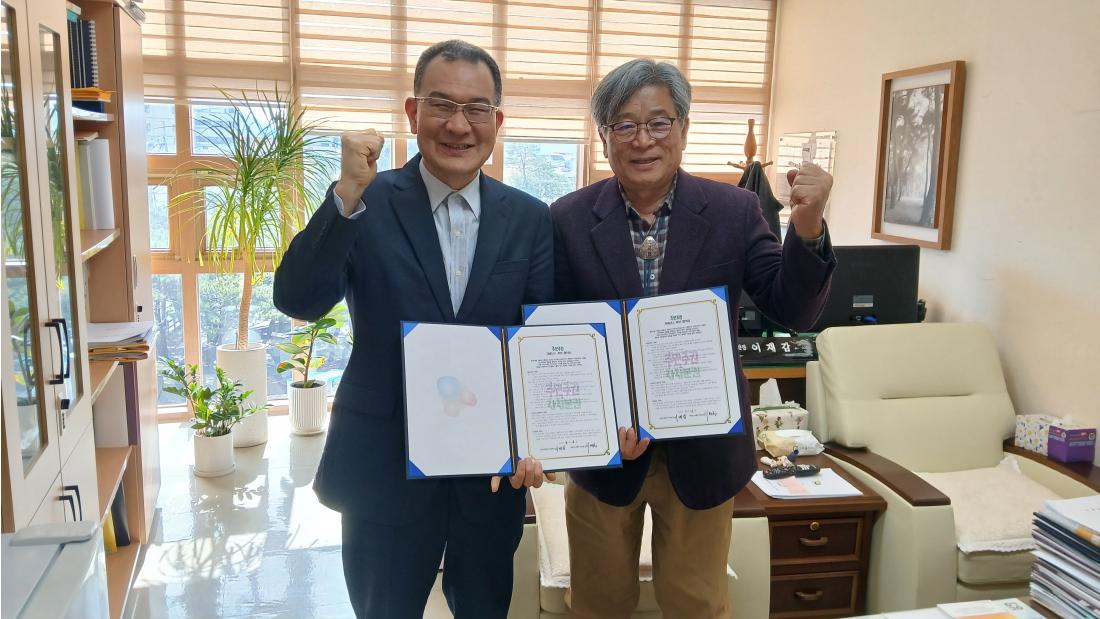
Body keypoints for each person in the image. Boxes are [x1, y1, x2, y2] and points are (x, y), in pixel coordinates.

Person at [274, 39, 554, 619]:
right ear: (412, 112)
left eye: (477, 109)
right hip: (384, 466)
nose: (459, 125)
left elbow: (540, 344)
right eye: (441, 105)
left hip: (489, 473)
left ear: (497, 121)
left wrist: (537, 439)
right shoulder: (365, 201)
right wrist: (345, 194)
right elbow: (299, 299)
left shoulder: (529, 218)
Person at [551, 59, 836, 618]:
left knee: (697, 606)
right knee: (597, 605)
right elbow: (556, 337)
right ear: (604, 136)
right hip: (606, 453)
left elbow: (794, 310)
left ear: (683, 127)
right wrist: (591, 427)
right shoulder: (567, 219)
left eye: (658, 122)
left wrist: (807, 226)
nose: (643, 140)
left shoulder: (735, 210)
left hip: (703, 452)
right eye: (624, 125)